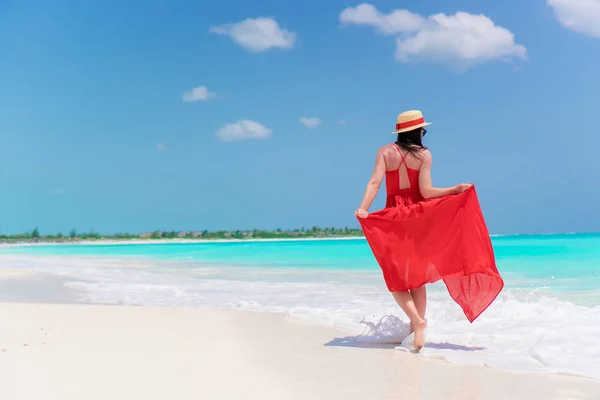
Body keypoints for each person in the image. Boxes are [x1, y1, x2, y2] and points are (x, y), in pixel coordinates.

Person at [355, 110, 503, 351]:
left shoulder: (385, 152)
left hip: (394, 217)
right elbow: (426, 192)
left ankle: (416, 322)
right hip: (417, 218)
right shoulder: (424, 155)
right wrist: (455, 189)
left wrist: (363, 208)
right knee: (417, 278)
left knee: (396, 277)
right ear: (419, 131)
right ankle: (416, 332)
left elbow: (375, 182)